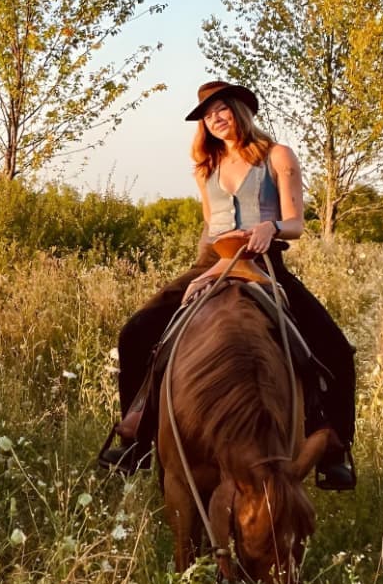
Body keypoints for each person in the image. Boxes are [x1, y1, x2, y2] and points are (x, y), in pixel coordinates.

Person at [100, 80, 357, 491]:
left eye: (221, 109)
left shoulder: (278, 156)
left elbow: (296, 224)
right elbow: (209, 227)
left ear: (242, 110)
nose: (214, 119)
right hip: (213, 261)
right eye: (206, 114)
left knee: (336, 349)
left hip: (263, 261)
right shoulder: (207, 166)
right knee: (135, 333)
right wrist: (204, 270)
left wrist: (270, 226)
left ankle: (334, 450)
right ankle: (139, 443)